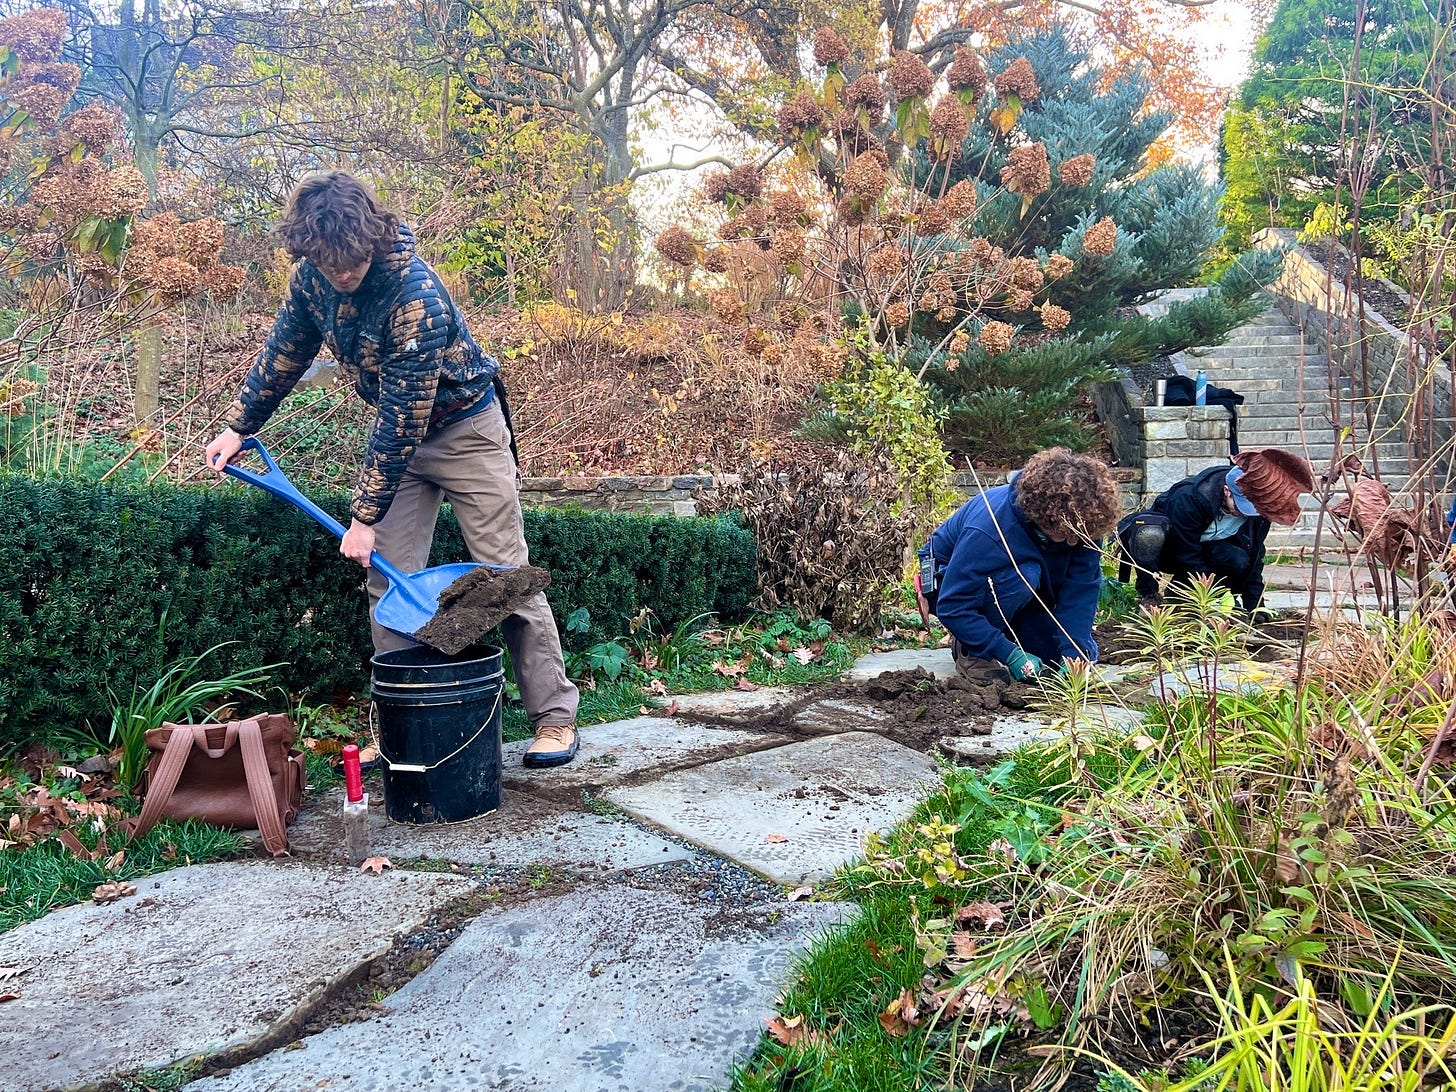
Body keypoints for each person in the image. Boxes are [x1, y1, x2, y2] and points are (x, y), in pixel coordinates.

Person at [205, 168, 580, 768]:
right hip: (399, 446)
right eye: (330, 266)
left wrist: (362, 516)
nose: (343, 275)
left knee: (504, 574)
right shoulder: (313, 280)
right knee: (387, 580)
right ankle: (406, 725)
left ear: (370, 237)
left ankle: (554, 718)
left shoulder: (414, 295)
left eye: (351, 262)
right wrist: (240, 425)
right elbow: (285, 351)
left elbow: (404, 418)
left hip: (464, 431)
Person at [916, 448, 1123, 681]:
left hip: (1025, 590)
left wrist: (1074, 654)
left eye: (1079, 534)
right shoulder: (990, 530)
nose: (1072, 541)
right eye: (1066, 534)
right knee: (1026, 574)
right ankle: (971, 649)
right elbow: (953, 605)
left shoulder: (1082, 522)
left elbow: (1081, 591)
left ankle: (1009, 633)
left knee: (1052, 656)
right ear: (1045, 517)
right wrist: (1009, 654)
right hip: (953, 586)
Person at [1118, 448, 1314, 617]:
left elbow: (1255, 556)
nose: (1243, 513)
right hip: (1169, 548)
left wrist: (1255, 607)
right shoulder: (1192, 497)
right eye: (1240, 506)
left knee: (1239, 559)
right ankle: (1149, 596)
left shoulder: (1258, 510)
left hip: (1206, 548)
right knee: (1149, 532)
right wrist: (1213, 596)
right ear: (1227, 491)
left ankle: (1181, 594)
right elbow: (1186, 552)